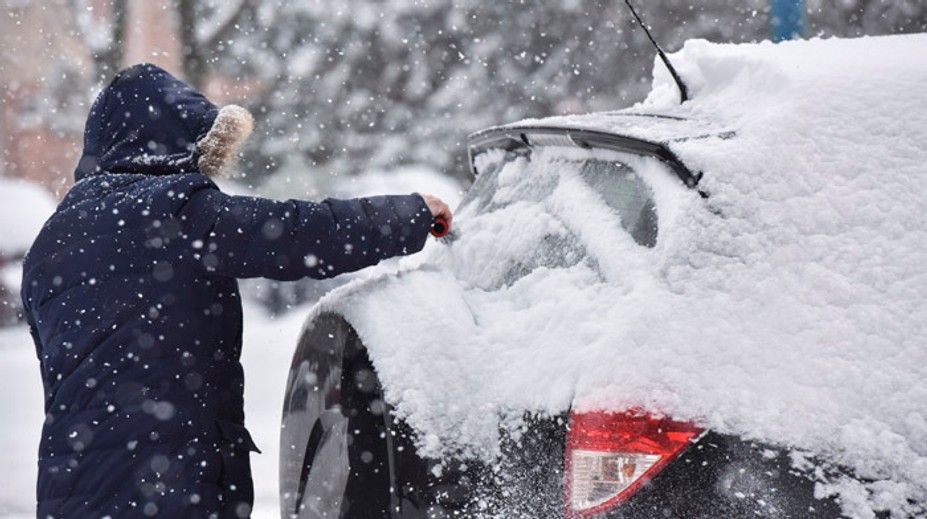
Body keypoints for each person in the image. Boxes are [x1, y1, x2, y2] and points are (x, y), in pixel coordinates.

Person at [20, 63, 452, 518]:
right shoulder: (175, 211)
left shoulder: (50, 244)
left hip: (68, 489)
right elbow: (298, 233)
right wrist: (407, 215)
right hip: (166, 482)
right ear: (169, 140)